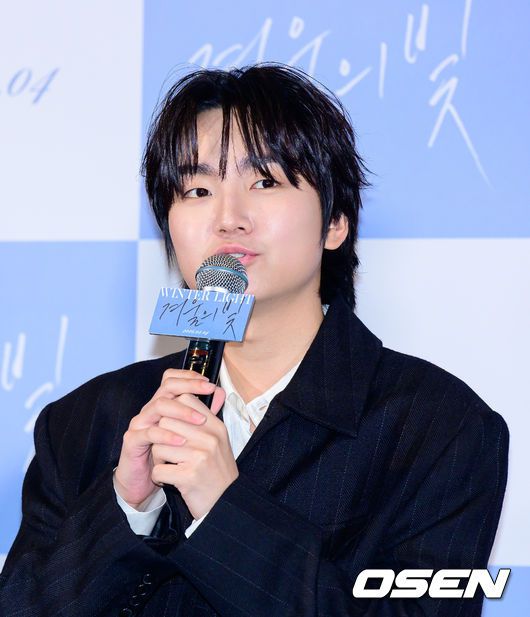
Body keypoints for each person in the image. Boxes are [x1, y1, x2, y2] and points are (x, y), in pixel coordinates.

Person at [0, 64, 508, 616]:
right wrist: (127, 507)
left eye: (264, 182)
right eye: (197, 189)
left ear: (335, 221)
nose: (228, 218)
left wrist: (225, 512)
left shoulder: (440, 428)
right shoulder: (84, 422)